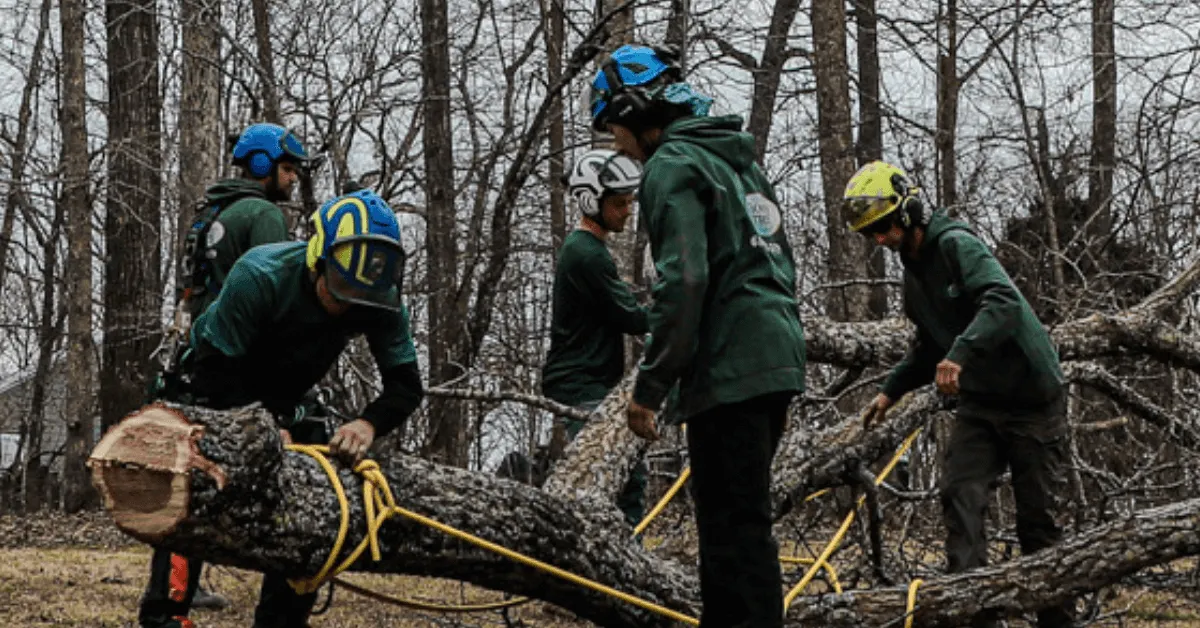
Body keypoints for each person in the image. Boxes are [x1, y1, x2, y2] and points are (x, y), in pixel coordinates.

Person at [587, 43, 807, 627]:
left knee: (728, 535)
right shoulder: (739, 163)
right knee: (748, 526)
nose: (616, 143)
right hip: (778, 355)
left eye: (614, 126)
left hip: (730, 367)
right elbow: (778, 263)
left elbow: (684, 281)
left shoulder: (673, 167)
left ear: (635, 109)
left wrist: (651, 386)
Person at [138, 188, 424, 628]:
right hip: (211, 386)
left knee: (314, 499)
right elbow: (216, 370)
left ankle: (282, 620)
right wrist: (260, 428)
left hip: (286, 398)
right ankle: (165, 616)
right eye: (342, 289)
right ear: (318, 261)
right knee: (195, 490)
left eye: (362, 296)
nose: (349, 305)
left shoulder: (380, 300)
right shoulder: (260, 275)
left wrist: (368, 424)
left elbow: (406, 385)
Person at [846, 160, 1073, 628]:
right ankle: (972, 615)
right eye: (872, 234)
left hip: (1032, 400)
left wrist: (961, 353)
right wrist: (890, 393)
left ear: (908, 212)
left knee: (1040, 526)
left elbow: (1003, 301)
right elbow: (929, 345)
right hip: (981, 404)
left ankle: (1057, 622)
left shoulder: (956, 245)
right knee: (959, 494)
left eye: (885, 228)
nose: (881, 240)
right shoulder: (913, 278)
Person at [143, 122, 312, 620]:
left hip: (201, 363)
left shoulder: (212, 213)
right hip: (240, 369)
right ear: (260, 165)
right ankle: (272, 608)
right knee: (288, 481)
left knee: (195, 483)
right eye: (286, 168)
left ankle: (174, 596)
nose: (293, 179)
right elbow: (277, 298)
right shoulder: (262, 215)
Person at [541, 147, 650, 526]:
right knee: (619, 476)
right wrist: (676, 312)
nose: (628, 210)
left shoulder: (588, 250)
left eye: (630, 201)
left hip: (590, 381)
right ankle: (619, 558)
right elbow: (631, 317)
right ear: (591, 200)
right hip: (581, 383)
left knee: (619, 472)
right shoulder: (585, 254)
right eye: (620, 203)